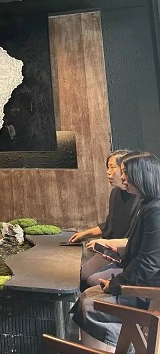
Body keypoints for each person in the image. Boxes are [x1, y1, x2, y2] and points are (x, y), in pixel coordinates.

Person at [72, 151, 160, 352]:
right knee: (86, 296)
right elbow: (143, 251)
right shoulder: (147, 204)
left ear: (141, 175)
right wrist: (119, 254)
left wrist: (115, 285)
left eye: (126, 172)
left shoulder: (156, 210)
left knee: (90, 306)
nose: (123, 177)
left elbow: (148, 264)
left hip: (149, 292)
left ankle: (123, 346)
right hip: (142, 285)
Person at [68, 149, 139, 290]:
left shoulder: (141, 200)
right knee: (80, 274)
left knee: (92, 279)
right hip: (112, 252)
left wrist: (106, 243)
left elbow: (136, 241)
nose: (108, 172)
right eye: (107, 167)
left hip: (129, 256)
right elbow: (111, 224)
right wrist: (85, 234)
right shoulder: (116, 193)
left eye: (112, 167)